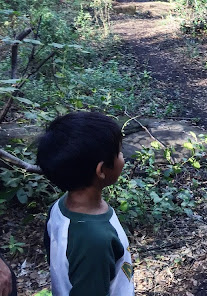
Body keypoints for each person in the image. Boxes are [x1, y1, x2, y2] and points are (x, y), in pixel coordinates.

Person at [36, 112, 134, 296]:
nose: (122, 156)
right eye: (119, 151)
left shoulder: (58, 209)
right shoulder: (95, 242)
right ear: (101, 170)